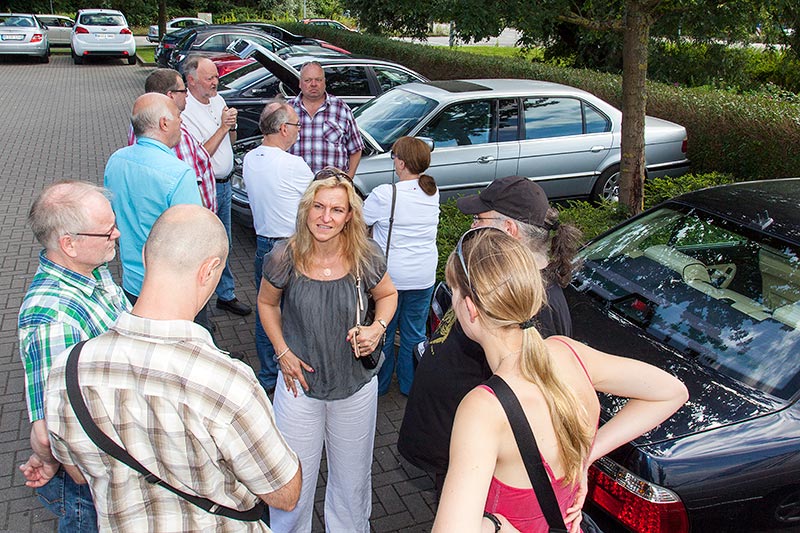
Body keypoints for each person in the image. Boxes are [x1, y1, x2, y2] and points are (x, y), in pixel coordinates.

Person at [45, 205, 302, 532]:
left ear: (145, 256)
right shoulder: (227, 383)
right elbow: (285, 494)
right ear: (209, 271)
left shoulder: (67, 370)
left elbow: (78, 472)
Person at [432, 228, 689, 533]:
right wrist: (586, 456)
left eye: (454, 291)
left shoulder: (484, 409)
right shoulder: (569, 352)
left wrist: (495, 525)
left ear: (470, 308)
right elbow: (671, 391)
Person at [398, 176, 582, 492]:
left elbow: (534, 402)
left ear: (508, 230)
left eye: (479, 220)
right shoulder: (499, 280)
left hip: (475, 465)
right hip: (453, 448)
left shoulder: (539, 307)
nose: (471, 227)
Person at [258, 169, 397, 532]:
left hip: (355, 386)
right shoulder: (284, 256)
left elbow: (387, 294)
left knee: (352, 483)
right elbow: (266, 303)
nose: (325, 217)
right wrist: (282, 351)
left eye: (336, 209)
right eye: (318, 207)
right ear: (306, 208)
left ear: (349, 215)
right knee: (292, 481)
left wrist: (377, 327)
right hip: (298, 386)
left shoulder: (365, 255)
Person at [18, 180, 130, 532]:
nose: (117, 234)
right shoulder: (55, 319)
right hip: (89, 485)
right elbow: (52, 430)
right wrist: (48, 457)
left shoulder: (92, 271)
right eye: (107, 231)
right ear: (69, 244)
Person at [243, 99, 313, 393]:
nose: (299, 130)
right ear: (284, 128)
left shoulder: (250, 158)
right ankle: (295, 368)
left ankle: (268, 375)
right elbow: (316, 201)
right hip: (293, 247)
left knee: (266, 311)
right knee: (296, 314)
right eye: (296, 125)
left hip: (263, 245)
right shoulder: (293, 165)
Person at [104, 92, 202, 302]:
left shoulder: (116, 160)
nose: (181, 122)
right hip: (172, 291)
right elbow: (194, 240)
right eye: (178, 117)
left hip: (132, 284)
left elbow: (112, 218)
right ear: (164, 123)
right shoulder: (179, 174)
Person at [363, 136, 439, 396]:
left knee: (383, 330)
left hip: (390, 278)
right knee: (414, 334)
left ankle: (380, 385)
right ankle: (410, 386)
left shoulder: (386, 194)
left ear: (402, 163)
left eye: (394, 156)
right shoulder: (432, 191)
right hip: (423, 275)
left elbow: (360, 220)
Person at [182, 55, 252, 317]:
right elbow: (200, 155)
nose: (215, 82)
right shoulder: (185, 110)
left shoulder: (218, 100)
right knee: (205, 246)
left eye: (216, 76)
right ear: (191, 80)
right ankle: (200, 302)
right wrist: (223, 127)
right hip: (204, 188)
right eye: (209, 78)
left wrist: (232, 127)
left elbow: (229, 143)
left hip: (225, 185)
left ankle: (226, 294)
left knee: (225, 244)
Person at [128, 68, 217, 213]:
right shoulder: (174, 132)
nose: (187, 94)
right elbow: (190, 186)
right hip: (191, 216)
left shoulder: (139, 122)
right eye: (183, 90)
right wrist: (205, 218)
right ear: (171, 95)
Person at [288, 61, 364, 177]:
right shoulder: (288, 110)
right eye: (308, 80)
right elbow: (275, 148)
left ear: (324, 82)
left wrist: (349, 178)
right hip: (295, 184)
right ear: (300, 83)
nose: (313, 84)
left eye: (318, 80)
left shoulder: (340, 108)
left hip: (331, 184)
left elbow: (356, 148)